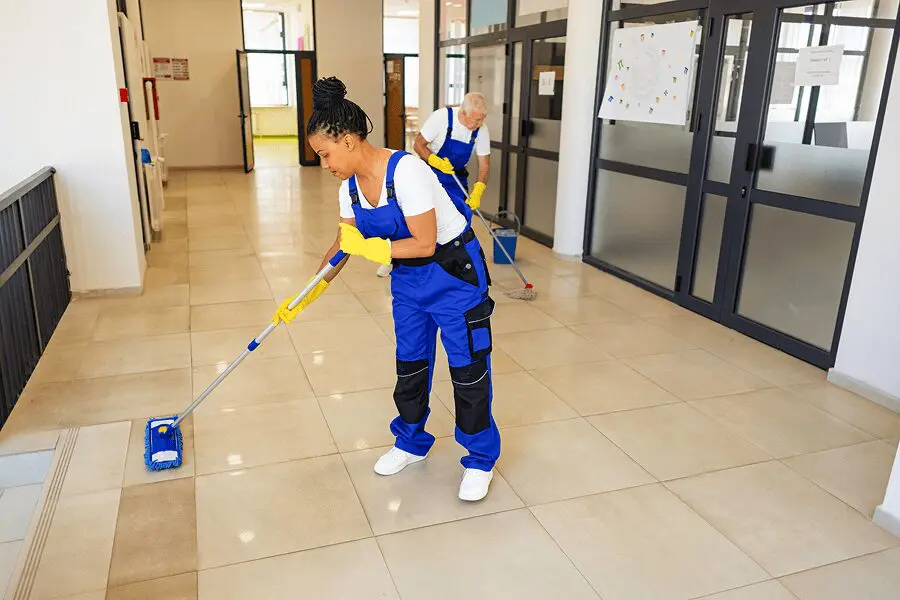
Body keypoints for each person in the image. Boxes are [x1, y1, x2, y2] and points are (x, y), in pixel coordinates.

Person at [273, 77, 500, 502]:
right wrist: (305, 293)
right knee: (410, 365)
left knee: (468, 371)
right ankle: (411, 442)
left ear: (349, 139)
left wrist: (371, 249)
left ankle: (479, 458)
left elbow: (424, 241)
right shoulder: (350, 189)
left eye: (325, 153)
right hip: (410, 283)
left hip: (454, 275)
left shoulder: (407, 169)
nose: (324, 164)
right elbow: (343, 243)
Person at [375, 92, 491, 278]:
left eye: (482, 120)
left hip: (456, 179)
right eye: (477, 120)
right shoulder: (441, 118)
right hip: (429, 174)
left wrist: (479, 188)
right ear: (464, 113)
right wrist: (435, 161)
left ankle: (450, 264)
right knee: (416, 220)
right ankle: (392, 259)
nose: (479, 124)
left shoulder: (481, 129)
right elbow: (418, 144)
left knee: (460, 220)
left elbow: (484, 164)